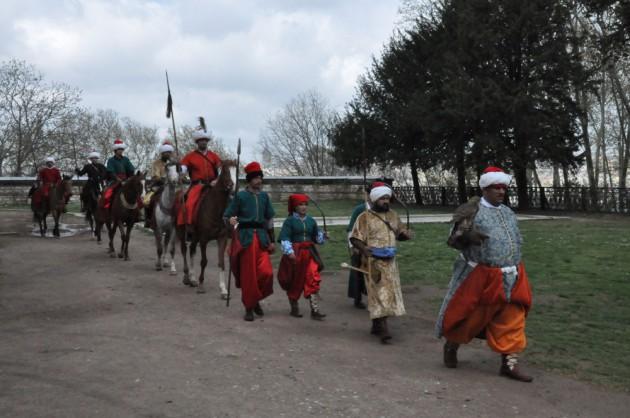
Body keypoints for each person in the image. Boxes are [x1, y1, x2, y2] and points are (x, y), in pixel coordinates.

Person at [435, 166, 533, 382]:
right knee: (469, 318)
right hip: (481, 277)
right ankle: (452, 345)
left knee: (513, 319)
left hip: (511, 276)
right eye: (496, 187)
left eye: (504, 188)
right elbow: (453, 241)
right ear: (485, 189)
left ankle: (509, 364)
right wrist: (466, 236)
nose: (501, 191)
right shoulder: (473, 210)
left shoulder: (508, 212)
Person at [350, 185, 412, 343]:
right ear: (375, 199)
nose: (385, 201)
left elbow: (399, 234)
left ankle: (376, 324)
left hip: (390, 262)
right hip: (373, 261)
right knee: (379, 293)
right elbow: (355, 238)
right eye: (382, 198)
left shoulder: (393, 215)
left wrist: (405, 235)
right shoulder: (364, 217)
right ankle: (383, 329)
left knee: (387, 294)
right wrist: (364, 249)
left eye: (387, 198)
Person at [224, 162, 275, 322]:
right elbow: (228, 217)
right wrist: (238, 227)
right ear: (249, 180)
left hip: (261, 238)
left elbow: (269, 220)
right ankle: (249, 307)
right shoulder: (240, 196)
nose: (259, 181)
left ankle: (256, 298)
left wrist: (272, 240)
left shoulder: (265, 197)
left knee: (266, 273)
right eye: (256, 178)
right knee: (249, 275)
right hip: (245, 239)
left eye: (260, 177)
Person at [277, 194, 327, 320]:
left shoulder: (311, 221)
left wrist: (322, 236)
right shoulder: (289, 221)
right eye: (300, 204)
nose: (303, 207)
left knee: (313, 277)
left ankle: (314, 310)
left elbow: (316, 238)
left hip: (310, 253)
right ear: (295, 206)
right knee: (295, 280)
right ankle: (294, 305)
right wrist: (289, 252)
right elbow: (285, 237)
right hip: (296, 254)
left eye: (305, 204)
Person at [347, 181, 389, 309]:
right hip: (360, 245)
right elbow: (351, 230)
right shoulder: (360, 209)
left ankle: (378, 298)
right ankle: (357, 298)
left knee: (378, 272)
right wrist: (354, 247)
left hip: (378, 246)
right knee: (358, 272)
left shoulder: (384, 210)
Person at [177, 130, 222, 231]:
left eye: (205, 140)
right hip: (197, 186)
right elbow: (183, 168)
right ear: (197, 142)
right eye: (201, 140)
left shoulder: (214, 156)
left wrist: (217, 180)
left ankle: (227, 226)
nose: (203, 142)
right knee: (188, 205)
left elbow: (221, 169)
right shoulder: (190, 156)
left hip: (213, 184)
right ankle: (189, 226)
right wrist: (180, 171)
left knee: (227, 200)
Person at [144, 141, 174, 228]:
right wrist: (163, 180)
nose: (168, 154)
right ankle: (149, 220)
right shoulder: (156, 163)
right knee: (148, 199)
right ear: (162, 153)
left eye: (169, 152)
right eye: (166, 152)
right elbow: (156, 175)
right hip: (159, 185)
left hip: (172, 185)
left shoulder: (173, 163)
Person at [101, 138, 137, 211]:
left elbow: (131, 169)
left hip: (126, 180)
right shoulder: (111, 160)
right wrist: (117, 179)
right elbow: (110, 172)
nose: (121, 150)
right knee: (108, 193)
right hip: (114, 180)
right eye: (119, 149)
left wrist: (131, 177)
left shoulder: (126, 159)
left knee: (136, 192)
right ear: (115, 150)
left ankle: (139, 212)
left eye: (121, 149)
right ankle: (106, 209)